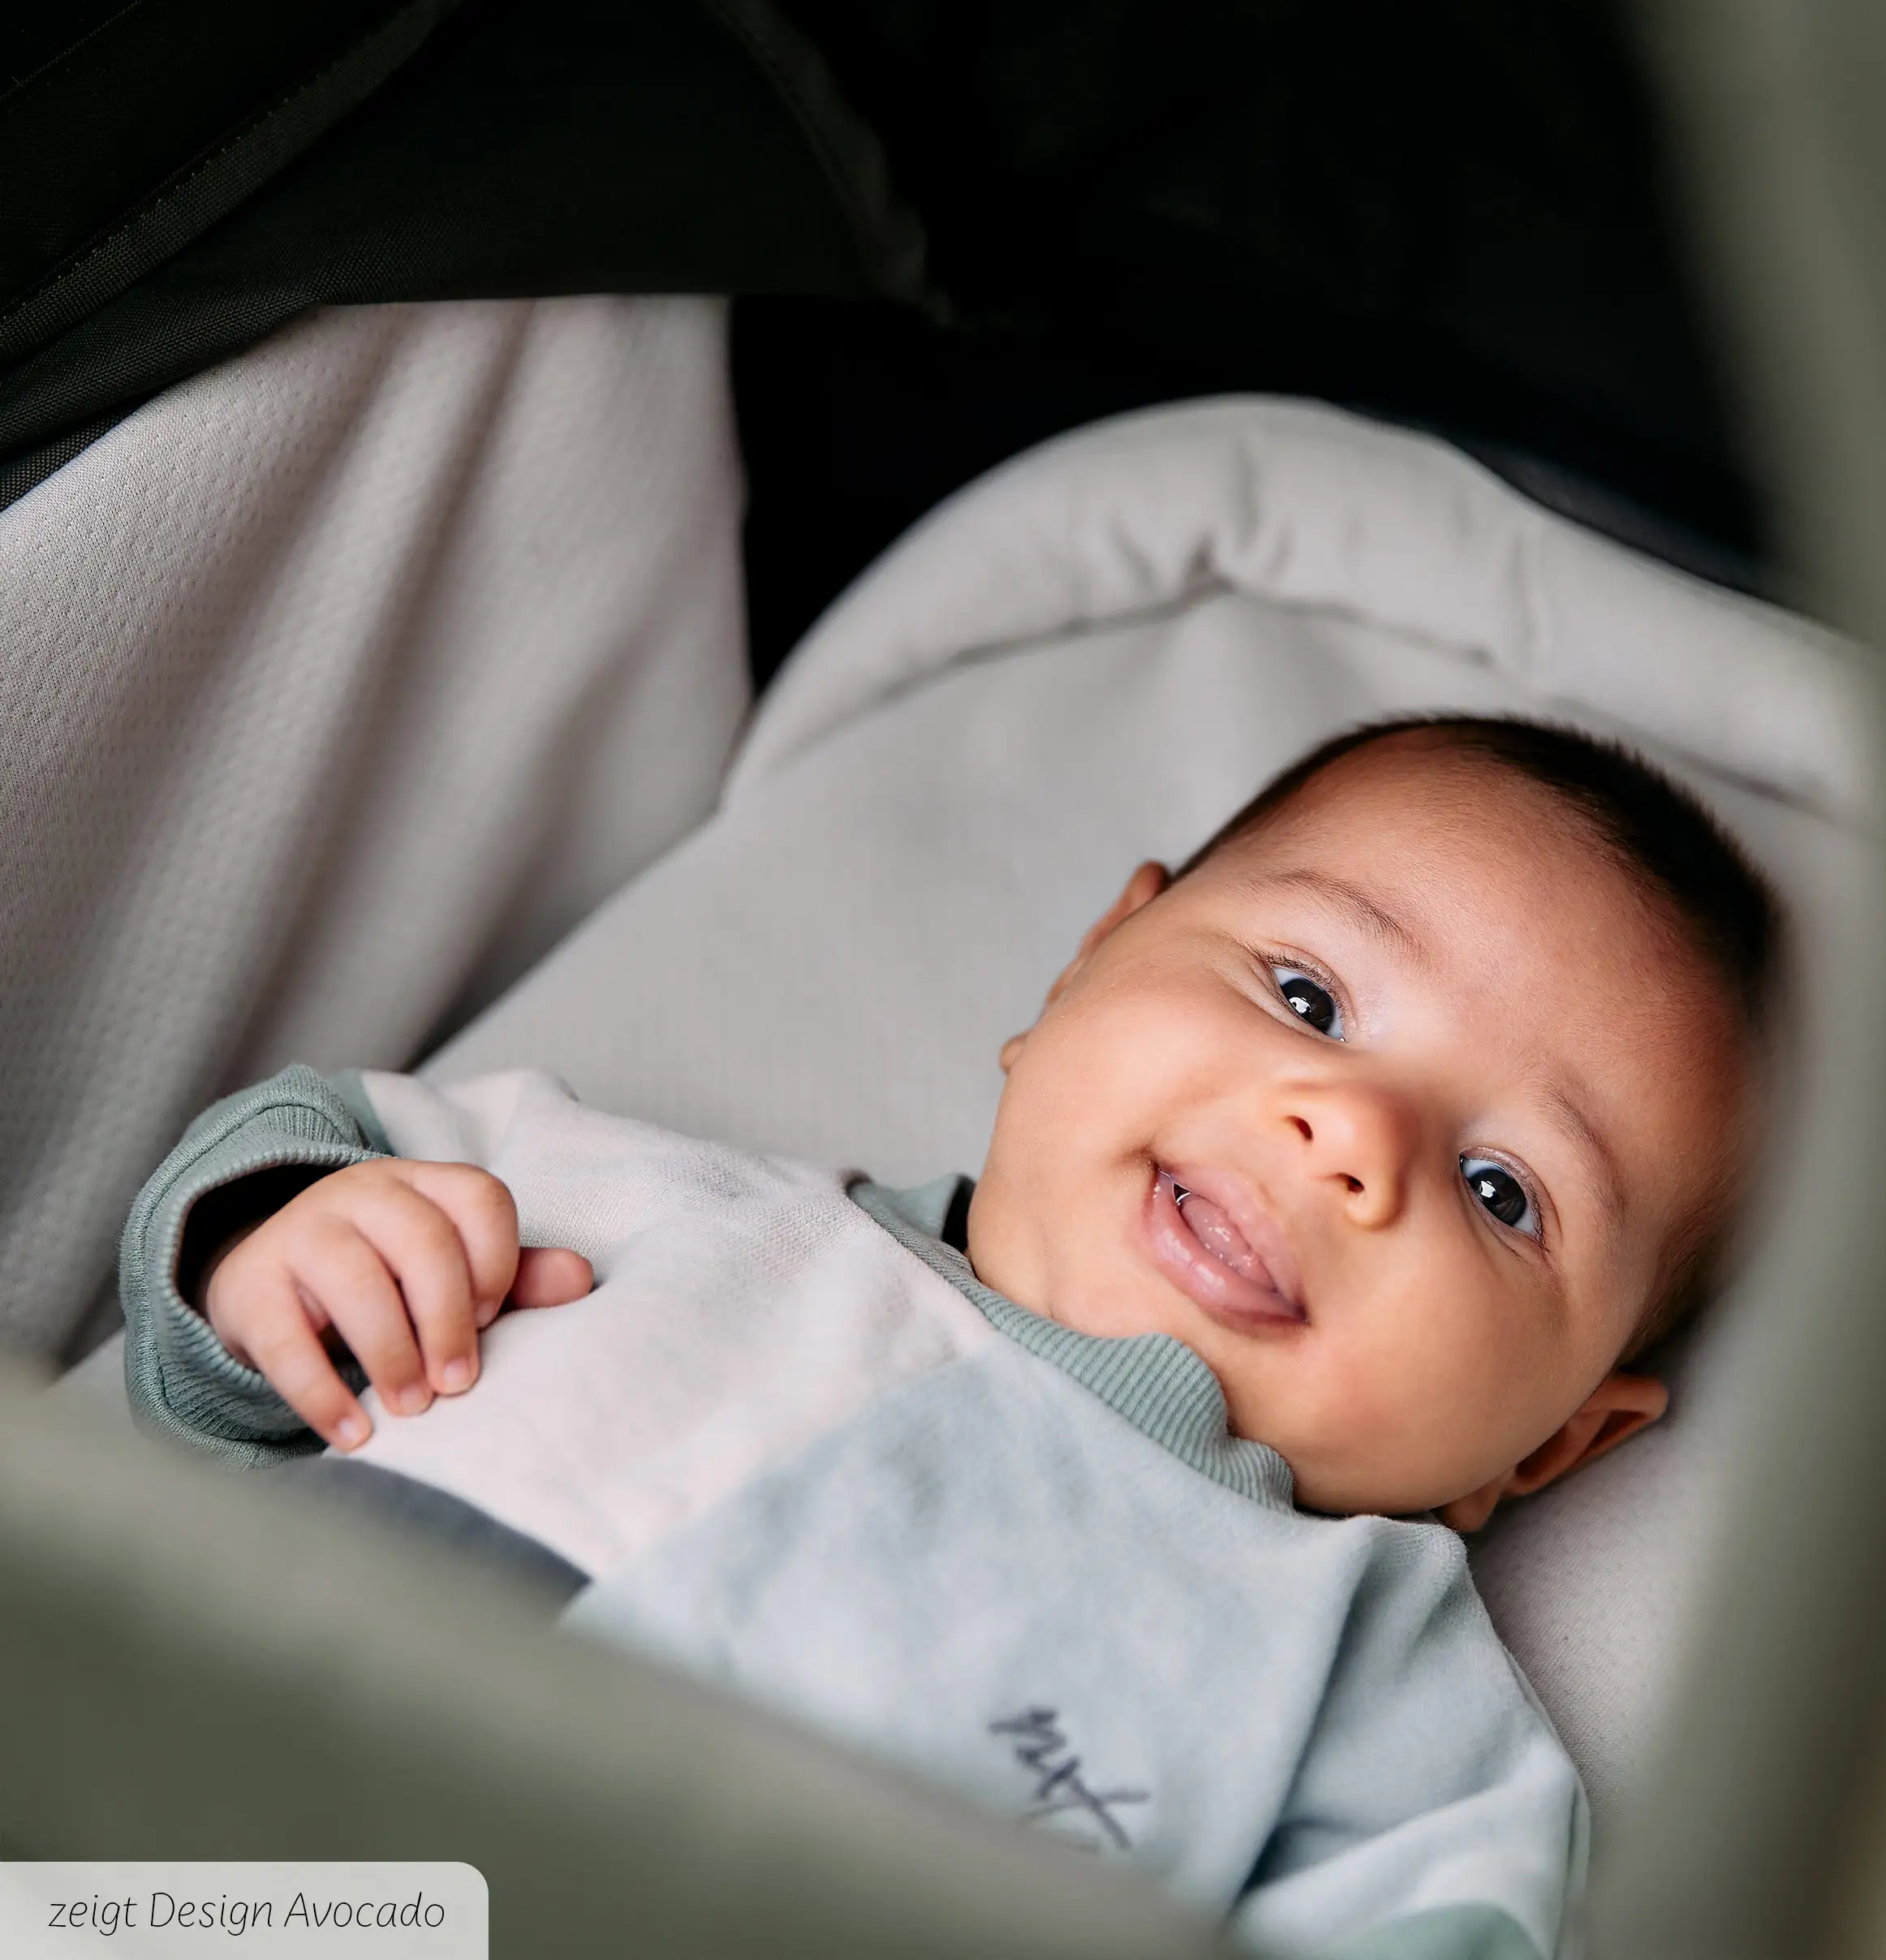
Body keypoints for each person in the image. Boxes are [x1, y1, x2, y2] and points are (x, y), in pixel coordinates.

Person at [120, 714, 1779, 1960]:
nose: (1347, 1134)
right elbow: (299, 1170)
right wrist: (287, 1237)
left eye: (1500, 1188)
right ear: (1084, 964)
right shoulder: (646, 1201)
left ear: (1549, 1443)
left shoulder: (1385, 1690)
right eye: (1305, 995)